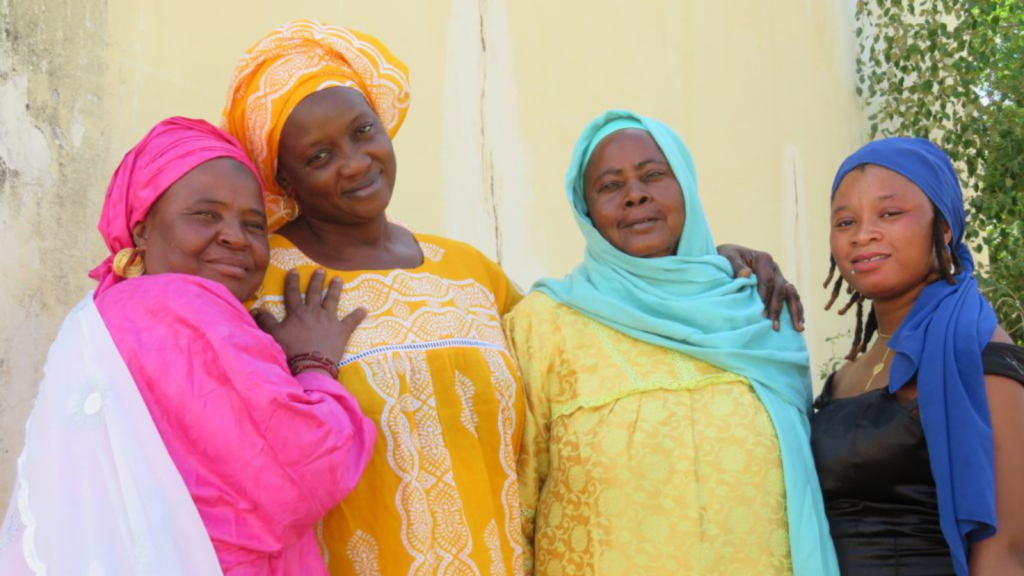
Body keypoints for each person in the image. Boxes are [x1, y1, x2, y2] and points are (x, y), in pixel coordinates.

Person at [223, 22, 807, 575]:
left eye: (362, 131)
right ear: (286, 181)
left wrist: (705, 266)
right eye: (319, 157)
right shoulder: (263, 280)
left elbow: (591, 320)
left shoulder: (468, 269)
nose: (354, 163)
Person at [0, 117, 377, 575]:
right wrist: (312, 361)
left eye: (254, 225)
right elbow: (308, 466)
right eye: (205, 215)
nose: (235, 237)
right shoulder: (188, 309)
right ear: (142, 229)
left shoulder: (103, 315)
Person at [503, 110, 839, 576]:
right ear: (586, 211)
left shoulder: (758, 311)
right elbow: (513, 508)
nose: (635, 195)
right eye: (609, 185)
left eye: (653, 175)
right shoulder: (543, 326)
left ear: (686, 186)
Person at [810, 137, 1024, 576]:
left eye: (890, 213)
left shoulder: (981, 357)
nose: (863, 234)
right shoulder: (845, 375)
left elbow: (1009, 548)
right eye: (845, 221)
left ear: (943, 229)